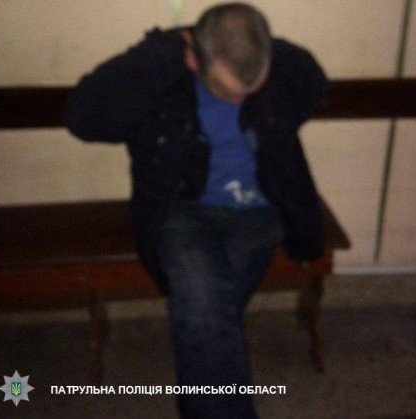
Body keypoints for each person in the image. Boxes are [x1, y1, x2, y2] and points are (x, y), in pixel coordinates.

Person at [65, 3, 327, 418]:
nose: (240, 99)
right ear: (191, 60)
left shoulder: (272, 64)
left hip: (263, 211)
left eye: (250, 89)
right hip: (184, 211)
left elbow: (315, 86)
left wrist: (253, 42)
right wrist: (160, 53)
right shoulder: (162, 82)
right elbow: (82, 118)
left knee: (205, 313)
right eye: (228, 91)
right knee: (206, 310)